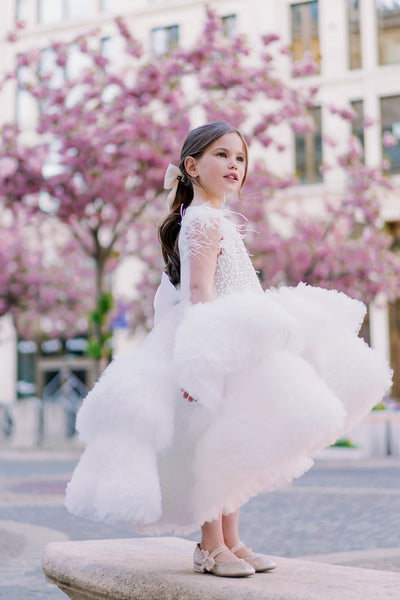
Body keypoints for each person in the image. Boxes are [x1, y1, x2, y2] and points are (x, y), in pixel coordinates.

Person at [65, 121, 392, 578]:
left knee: (237, 438)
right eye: (221, 155)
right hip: (215, 339)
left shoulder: (214, 217)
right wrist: (205, 360)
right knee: (211, 440)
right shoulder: (201, 218)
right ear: (192, 166)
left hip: (238, 338)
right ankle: (210, 543)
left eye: (239, 158)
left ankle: (232, 540)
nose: (233, 165)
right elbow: (199, 292)